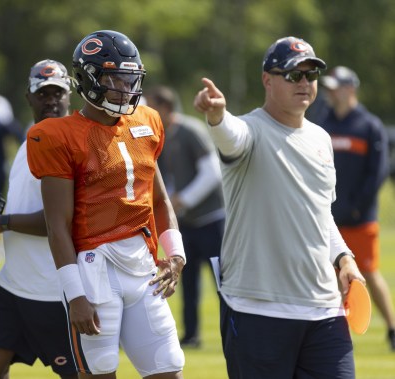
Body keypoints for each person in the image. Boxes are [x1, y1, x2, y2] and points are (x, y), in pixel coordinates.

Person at [193, 36, 366, 378]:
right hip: (258, 309)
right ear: (266, 80)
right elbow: (230, 136)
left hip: (324, 311)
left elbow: (321, 215)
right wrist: (217, 115)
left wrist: (344, 259)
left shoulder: (321, 139)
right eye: (293, 75)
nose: (304, 83)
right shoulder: (250, 129)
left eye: (310, 75)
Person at [27, 30, 186, 378]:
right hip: (94, 270)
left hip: (143, 266)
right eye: (113, 78)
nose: (123, 87)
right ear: (86, 79)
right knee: (99, 371)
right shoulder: (57, 134)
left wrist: (175, 254)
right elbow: (57, 226)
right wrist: (75, 295)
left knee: (169, 367)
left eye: (129, 78)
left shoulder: (147, 121)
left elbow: (158, 198)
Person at [0, 59, 78, 379]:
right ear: (28, 97)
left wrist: (2, 222)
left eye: (57, 92)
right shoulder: (31, 137)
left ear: (69, 95)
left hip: (53, 289)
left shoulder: (71, 144)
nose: (51, 100)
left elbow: (59, 221)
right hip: (14, 284)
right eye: (42, 93)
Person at [318, 66, 395, 351]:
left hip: (360, 218)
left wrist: (355, 207)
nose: (330, 92)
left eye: (335, 86)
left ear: (351, 88)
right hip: (328, 218)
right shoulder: (322, 123)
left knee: (368, 273)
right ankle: (337, 334)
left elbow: (377, 173)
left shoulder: (369, 125)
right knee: (330, 276)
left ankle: (392, 328)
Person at [145, 85, 225, 349]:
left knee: (222, 283)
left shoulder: (191, 131)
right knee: (187, 285)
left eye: (152, 107)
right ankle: (191, 337)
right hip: (186, 222)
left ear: (166, 108)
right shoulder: (159, 136)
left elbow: (212, 172)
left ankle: (233, 331)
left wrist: (183, 199)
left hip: (212, 220)